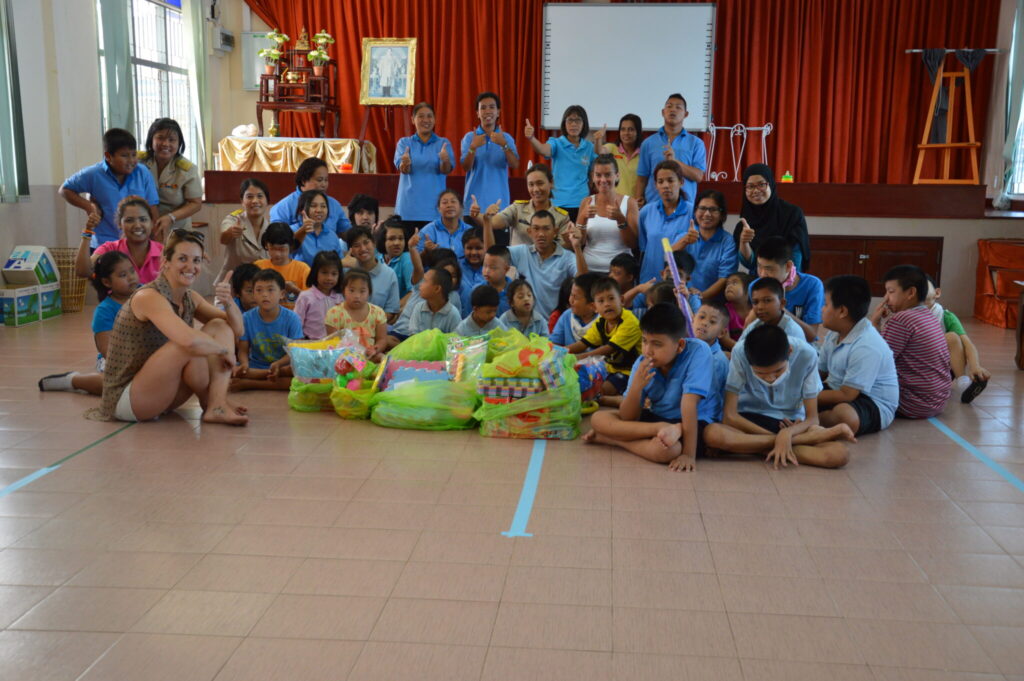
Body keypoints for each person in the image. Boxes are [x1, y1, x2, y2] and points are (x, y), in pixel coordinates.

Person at [83, 230, 247, 425]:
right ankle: (71, 380)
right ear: (166, 261)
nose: (190, 266)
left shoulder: (190, 297)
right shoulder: (149, 296)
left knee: (219, 326)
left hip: (161, 392)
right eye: (182, 259)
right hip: (127, 400)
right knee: (187, 345)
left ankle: (215, 404)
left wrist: (228, 303)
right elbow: (189, 341)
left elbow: (236, 331)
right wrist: (223, 350)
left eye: (196, 260)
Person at [703, 324, 854, 469]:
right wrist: (781, 439)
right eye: (761, 373)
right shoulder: (740, 352)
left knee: (838, 455)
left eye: (778, 371)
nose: (770, 378)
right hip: (748, 421)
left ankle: (749, 448)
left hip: (791, 424)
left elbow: (812, 418)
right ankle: (783, 446)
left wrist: (787, 433)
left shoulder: (807, 354)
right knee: (712, 433)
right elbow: (730, 416)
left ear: (789, 351)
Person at [584, 303, 712, 471]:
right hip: (658, 421)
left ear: (679, 345)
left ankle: (611, 439)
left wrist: (688, 455)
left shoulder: (698, 352)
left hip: (692, 424)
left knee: (669, 451)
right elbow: (628, 417)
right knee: (598, 419)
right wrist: (637, 386)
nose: (648, 351)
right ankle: (658, 430)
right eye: (645, 341)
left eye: (657, 344)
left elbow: (689, 404)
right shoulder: (642, 363)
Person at [38, 252, 139, 396]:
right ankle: (73, 380)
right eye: (123, 275)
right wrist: (132, 366)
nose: (131, 277)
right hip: (116, 360)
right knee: (119, 388)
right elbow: (106, 350)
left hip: (144, 355)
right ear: (107, 282)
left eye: (132, 271)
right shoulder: (105, 311)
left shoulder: (146, 294)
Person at [818, 275, 900, 436]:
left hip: (871, 402)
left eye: (825, 304)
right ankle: (809, 418)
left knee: (845, 416)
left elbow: (847, 395)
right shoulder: (834, 333)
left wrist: (805, 397)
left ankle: (808, 421)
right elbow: (820, 372)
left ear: (842, 311)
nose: (821, 309)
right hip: (840, 390)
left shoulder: (867, 345)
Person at [872, 265, 951, 419]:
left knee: (854, 383)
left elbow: (878, 360)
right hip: (937, 401)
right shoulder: (928, 315)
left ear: (911, 293)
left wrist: (874, 324)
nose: (886, 298)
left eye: (891, 291)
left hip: (913, 403)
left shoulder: (902, 319)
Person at [59, 128, 159, 247]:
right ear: (108, 156)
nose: (131, 160)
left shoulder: (143, 173)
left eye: (133, 155)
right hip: (104, 243)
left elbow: (152, 208)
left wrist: (156, 244)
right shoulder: (94, 174)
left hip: (136, 243)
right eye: (124, 156)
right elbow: (64, 190)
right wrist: (89, 206)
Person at [484, 209, 586, 319]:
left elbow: (583, 280)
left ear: (555, 231)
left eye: (546, 229)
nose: (541, 234)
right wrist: (487, 223)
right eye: (536, 229)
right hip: (523, 324)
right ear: (529, 232)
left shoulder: (567, 257)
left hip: (553, 324)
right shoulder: (522, 252)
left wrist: (576, 246)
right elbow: (492, 255)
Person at [567, 277, 642, 398]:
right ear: (594, 307)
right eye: (601, 301)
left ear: (621, 300)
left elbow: (609, 348)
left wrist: (578, 357)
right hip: (609, 368)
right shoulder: (601, 322)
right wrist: (560, 351)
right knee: (580, 380)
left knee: (600, 391)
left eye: (611, 298)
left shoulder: (630, 322)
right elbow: (583, 344)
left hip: (632, 372)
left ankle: (616, 400)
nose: (607, 304)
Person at [230, 269, 303, 391]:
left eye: (270, 290)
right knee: (233, 371)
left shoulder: (292, 318)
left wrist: (278, 364)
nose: (264, 294)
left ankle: (250, 383)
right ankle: (267, 376)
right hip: (256, 366)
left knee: (299, 376)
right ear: (253, 294)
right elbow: (243, 350)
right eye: (259, 290)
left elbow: (295, 352)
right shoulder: (246, 318)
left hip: (283, 366)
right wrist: (244, 364)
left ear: (282, 294)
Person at [524, 105, 598, 220]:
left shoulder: (589, 147)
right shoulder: (557, 143)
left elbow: (594, 171)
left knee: (579, 237)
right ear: (564, 124)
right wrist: (532, 138)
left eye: (578, 120)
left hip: (582, 203)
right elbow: (543, 150)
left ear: (584, 124)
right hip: (559, 203)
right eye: (570, 120)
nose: (574, 124)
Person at [734, 163, 811, 272]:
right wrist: (744, 242)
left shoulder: (791, 214)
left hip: (788, 279)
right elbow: (750, 264)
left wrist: (786, 283)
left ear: (771, 184)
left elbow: (796, 259)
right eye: (750, 186)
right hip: (759, 279)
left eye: (761, 184)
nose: (756, 191)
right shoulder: (744, 224)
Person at [925, 277, 991, 403]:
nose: (919, 292)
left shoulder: (946, 316)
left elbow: (968, 344)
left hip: (938, 369)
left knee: (952, 338)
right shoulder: (904, 316)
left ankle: (963, 383)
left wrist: (975, 366)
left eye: (923, 287)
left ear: (937, 293)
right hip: (912, 369)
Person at [634, 94, 706, 209]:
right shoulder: (648, 143)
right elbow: (642, 178)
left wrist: (675, 162)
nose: (673, 110)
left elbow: (698, 176)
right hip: (653, 207)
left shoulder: (696, 143)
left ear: (686, 114)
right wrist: (637, 202)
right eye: (669, 106)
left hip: (684, 209)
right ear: (663, 112)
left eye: (678, 107)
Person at [76, 195, 163, 285]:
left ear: (152, 223)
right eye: (129, 220)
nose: (137, 225)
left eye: (143, 219)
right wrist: (88, 231)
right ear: (119, 224)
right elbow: (83, 272)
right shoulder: (109, 249)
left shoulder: (165, 252)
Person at [138, 118, 202, 238]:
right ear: (151, 139)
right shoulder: (138, 162)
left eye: (172, 140)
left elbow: (196, 203)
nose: (165, 144)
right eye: (160, 138)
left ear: (179, 143)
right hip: (142, 228)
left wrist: (171, 217)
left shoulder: (187, 169)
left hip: (176, 230)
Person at [395, 102, 454, 230]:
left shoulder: (443, 143)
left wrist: (445, 160)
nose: (425, 120)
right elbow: (404, 170)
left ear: (435, 119)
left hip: (434, 210)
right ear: (412, 119)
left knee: (433, 249)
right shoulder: (404, 143)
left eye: (429, 116)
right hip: (408, 210)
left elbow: (446, 170)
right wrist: (405, 163)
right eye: (421, 116)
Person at [577, 154, 639, 273]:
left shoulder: (630, 202)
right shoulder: (586, 202)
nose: (603, 180)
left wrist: (620, 220)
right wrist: (582, 218)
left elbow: (633, 244)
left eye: (608, 174)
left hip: (620, 273)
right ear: (593, 177)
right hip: (589, 269)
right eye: (598, 175)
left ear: (617, 176)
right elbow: (580, 242)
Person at [754, 236, 824, 342]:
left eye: (769, 269)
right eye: (759, 267)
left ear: (788, 266)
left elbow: (811, 335)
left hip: (800, 347)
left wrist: (779, 309)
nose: (763, 275)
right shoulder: (756, 286)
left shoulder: (812, 285)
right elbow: (750, 331)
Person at [484, 163, 571, 247]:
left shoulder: (562, 217)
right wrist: (485, 217)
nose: (536, 189)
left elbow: (563, 249)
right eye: (531, 184)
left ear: (551, 183)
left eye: (540, 183)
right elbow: (494, 223)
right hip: (517, 261)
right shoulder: (517, 208)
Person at [672, 189, 736, 301]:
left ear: (722, 215)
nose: (707, 214)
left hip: (714, 305)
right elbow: (668, 260)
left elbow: (724, 279)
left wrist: (699, 297)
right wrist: (685, 240)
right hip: (682, 300)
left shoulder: (728, 242)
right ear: (695, 212)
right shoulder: (684, 236)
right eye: (702, 208)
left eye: (713, 209)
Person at [460, 92, 519, 213]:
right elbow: (466, 167)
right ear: (477, 113)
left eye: (492, 107)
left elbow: (515, 165)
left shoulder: (506, 138)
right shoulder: (469, 138)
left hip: (500, 206)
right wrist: (473, 147)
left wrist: (504, 145)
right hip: (473, 206)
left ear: (498, 112)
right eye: (483, 108)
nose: (487, 111)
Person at [637, 161, 693, 284]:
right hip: (649, 279)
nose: (665, 185)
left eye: (670, 180)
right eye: (660, 181)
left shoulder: (692, 212)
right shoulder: (646, 211)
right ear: (655, 185)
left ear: (681, 182)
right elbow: (642, 247)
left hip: (679, 283)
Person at [269, 157, 352, 237]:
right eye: (319, 180)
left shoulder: (334, 204)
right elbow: (277, 239)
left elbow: (345, 232)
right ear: (304, 181)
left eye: (326, 180)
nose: (324, 185)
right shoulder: (283, 207)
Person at [325, 268, 388, 361]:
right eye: (352, 290)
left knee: (383, 359)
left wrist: (375, 349)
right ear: (343, 291)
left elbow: (382, 339)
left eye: (362, 291)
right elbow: (334, 344)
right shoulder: (334, 314)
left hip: (371, 357)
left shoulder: (378, 313)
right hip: (344, 359)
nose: (357, 296)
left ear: (369, 292)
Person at [345, 226, 400, 322]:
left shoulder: (389, 274)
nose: (362, 248)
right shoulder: (345, 272)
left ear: (374, 243)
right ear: (351, 251)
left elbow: (391, 312)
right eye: (356, 245)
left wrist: (368, 324)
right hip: (348, 327)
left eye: (366, 243)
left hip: (377, 328)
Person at [219, 179, 271, 280]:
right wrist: (231, 232)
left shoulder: (270, 226)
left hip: (262, 281)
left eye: (260, 196)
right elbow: (223, 239)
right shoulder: (233, 219)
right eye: (249, 197)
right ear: (242, 201)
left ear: (267, 201)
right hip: (234, 282)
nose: (255, 201)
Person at [691, 299, 731, 424]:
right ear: (692, 320)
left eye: (712, 322)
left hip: (703, 417)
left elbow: (702, 400)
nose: (704, 323)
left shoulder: (717, 361)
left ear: (722, 333)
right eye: (701, 317)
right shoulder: (686, 348)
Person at [253, 222, 310, 309]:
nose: (277, 254)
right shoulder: (258, 266)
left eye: (282, 249)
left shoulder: (303, 269)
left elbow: (311, 301)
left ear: (291, 246)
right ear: (266, 245)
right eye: (272, 248)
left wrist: (295, 290)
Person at [739, 277, 807, 344]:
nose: (760, 307)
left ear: (782, 304)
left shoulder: (792, 333)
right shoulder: (755, 325)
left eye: (767, 300)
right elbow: (738, 350)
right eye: (755, 302)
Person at [294, 251, 345, 340]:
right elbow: (296, 324)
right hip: (311, 345)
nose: (329, 278)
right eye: (324, 272)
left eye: (334, 274)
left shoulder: (340, 297)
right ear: (315, 273)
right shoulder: (305, 297)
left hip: (335, 345)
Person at [292, 189, 348, 266]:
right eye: (313, 206)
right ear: (302, 210)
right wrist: (303, 231)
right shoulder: (292, 230)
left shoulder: (332, 235)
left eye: (323, 206)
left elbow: (338, 264)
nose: (319, 210)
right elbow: (287, 250)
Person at [417, 190, 475, 257]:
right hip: (437, 267)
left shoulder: (470, 230)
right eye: (445, 202)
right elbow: (416, 261)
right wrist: (426, 252)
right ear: (438, 209)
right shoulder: (427, 231)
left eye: (453, 202)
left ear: (461, 207)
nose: (449, 205)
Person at [404, 268, 462, 335]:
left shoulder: (453, 314)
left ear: (437, 289)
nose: (420, 284)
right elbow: (413, 335)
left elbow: (455, 340)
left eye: (425, 281)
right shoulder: (419, 308)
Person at [378, 216, 423, 301]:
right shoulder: (377, 257)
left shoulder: (406, 259)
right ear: (383, 241)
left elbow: (413, 293)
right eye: (392, 239)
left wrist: (394, 310)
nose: (397, 243)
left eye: (401, 238)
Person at [550, 272, 600, 346]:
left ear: (592, 305)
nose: (571, 300)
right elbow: (554, 344)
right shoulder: (566, 316)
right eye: (571, 294)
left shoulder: (604, 321)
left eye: (575, 297)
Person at [603, 113, 643, 200]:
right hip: (615, 203)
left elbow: (644, 181)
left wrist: (641, 199)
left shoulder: (644, 153)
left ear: (638, 132)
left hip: (635, 204)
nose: (626, 133)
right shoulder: (612, 148)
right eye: (623, 129)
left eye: (631, 129)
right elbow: (600, 151)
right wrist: (598, 139)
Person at [722, 271, 754, 349]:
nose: (729, 286)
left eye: (734, 283)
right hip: (734, 351)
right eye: (727, 284)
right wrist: (744, 352)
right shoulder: (724, 311)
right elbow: (725, 340)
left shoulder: (757, 309)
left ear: (748, 290)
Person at [458, 228, 486, 312]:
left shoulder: (492, 269)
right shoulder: (456, 267)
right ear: (463, 248)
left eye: (478, 248)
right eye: (469, 248)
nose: (474, 252)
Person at [482, 245, 513, 315]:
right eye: (485, 265)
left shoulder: (514, 293)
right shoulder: (477, 291)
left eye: (493, 267)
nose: (486, 271)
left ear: (506, 269)